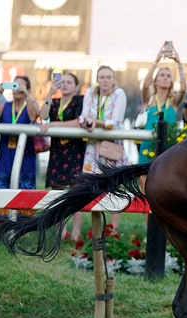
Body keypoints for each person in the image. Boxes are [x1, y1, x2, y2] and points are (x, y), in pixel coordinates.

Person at [80, 65, 128, 230]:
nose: (105, 81)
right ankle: (95, 228)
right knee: (91, 185)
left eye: (108, 77)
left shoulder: (119, 94)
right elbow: (83, 115)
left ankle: (113, 229)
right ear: (97, 79)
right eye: (102, 77)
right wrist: (86, 123)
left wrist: (96, 122)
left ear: (114, 79)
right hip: (93, 146)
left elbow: (115, 122)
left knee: (114, 186)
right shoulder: (90, 93)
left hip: (111, 145)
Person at [40, 72, 86, 241]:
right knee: (58, 193)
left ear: (76, 86)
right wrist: (49, 93)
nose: (65, 85)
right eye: (62, 82)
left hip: (75, 151)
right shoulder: (55, 102)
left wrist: (54, 124)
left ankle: (76, 231)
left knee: (76, 192)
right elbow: (43, 115)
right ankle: (61, 231)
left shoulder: (80, 101)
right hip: (57, 152)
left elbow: (79, 121)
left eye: (69, 82)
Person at [0, 75, 40, 222]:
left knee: (24, 183)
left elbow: (34, 117)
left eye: (21, 85)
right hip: (5, 153)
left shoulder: (31, 104)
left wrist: (27, 95)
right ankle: (2, 222)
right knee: (3, 183)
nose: (17, 89)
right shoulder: (4, 106)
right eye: (14, 85)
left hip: (25, 153)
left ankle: (24, 223)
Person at [138, 43, 186, 164]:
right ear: (156, 81)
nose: (165, 78)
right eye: (162, 75)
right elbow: (145, 86)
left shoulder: (173, 102)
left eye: (168, 76)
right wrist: (156, 60)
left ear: (171, 82)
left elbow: (183, 89)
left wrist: (179, 63)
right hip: (148, 144)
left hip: (168, 146)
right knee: (145, 177)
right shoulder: (148, 99)